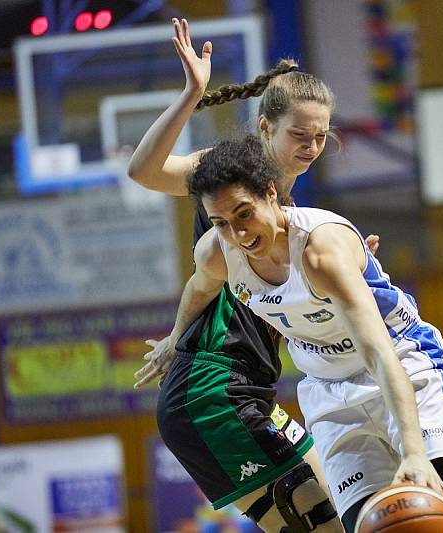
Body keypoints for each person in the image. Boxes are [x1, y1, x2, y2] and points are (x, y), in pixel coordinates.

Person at [171, 134, 443, 533]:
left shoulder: (319, 252)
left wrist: (413, 453)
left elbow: (380, 352)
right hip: (329, 392)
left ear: (270, 193)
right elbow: (199, 288)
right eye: (222, 223)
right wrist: (174, 341)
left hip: (402, 364)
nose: (238, 233)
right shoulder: (218, 252)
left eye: (244, 214)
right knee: (367, 526)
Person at [129, 18, 350, 533]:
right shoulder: (228, 176)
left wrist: (351, 264)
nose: (313, 146)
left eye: (321, 136)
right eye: (300, 134)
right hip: (215, 387)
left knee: (340, 518)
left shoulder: (295, 216)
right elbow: (143, 172)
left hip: (245, 386)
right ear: (267, 128)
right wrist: (192, 95)